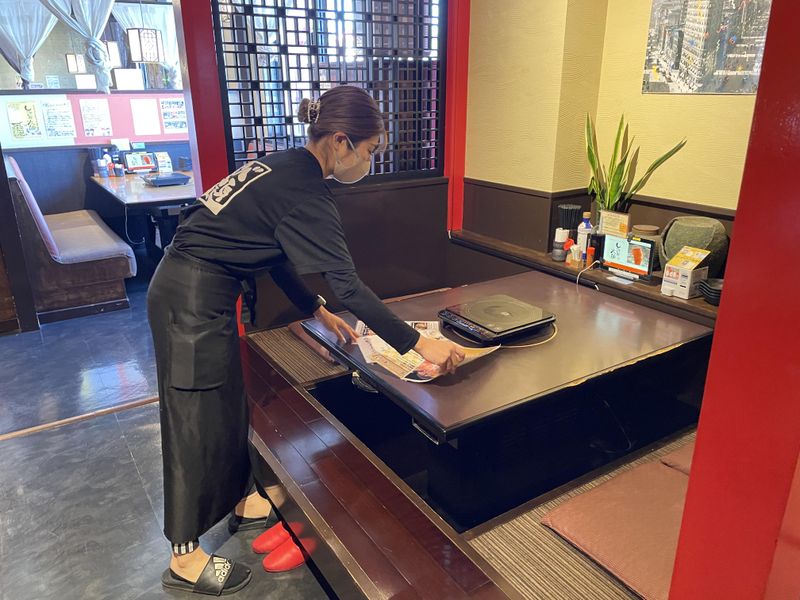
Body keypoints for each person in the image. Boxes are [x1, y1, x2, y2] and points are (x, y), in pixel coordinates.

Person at [148, 85, 465, 595]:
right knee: (193, 414)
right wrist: (417, 344)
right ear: (340, 141)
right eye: (370, 151)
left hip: (199, 290)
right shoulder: (308, 191)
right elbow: (349, 286)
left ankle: (240, 500)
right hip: (188, 300)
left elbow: (272, 252)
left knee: (227, 402)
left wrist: (314, 308)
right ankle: (183, 556)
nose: (369, 163)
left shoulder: (284, 166)